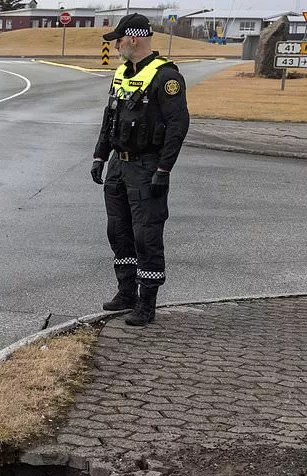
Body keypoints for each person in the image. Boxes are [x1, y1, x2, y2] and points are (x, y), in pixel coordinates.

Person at [90, 13, 190, 326]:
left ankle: (147, 303)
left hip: (147, 167)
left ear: (133, 38)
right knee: (118, 232)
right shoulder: (122, 73)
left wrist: (164, 168)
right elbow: (110, 118)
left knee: (146, 235)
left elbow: (178, 125)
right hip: (119, 165)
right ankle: (126, 292)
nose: (115, 45)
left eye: (118, 40)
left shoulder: (166, 77)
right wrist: (100, 156)